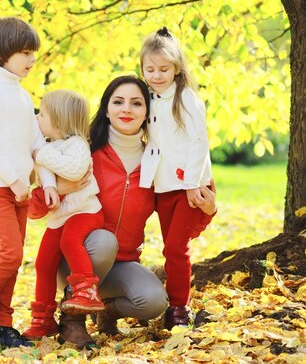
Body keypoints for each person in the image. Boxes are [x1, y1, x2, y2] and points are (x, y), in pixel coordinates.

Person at [29, 75, 216, 348]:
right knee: (105, 240)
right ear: (106, 109)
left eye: (136, 103)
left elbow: (183, 220)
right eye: (118, 102)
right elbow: (33, 209)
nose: (126, 109)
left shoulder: (157, 161)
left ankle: (106, 310)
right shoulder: (82, 151)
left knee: (153, 302)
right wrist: (60, 187)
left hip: (122, 265)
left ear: (147, 113)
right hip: (74, 261)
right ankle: (72, 321)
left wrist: (208, 211)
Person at [0, 16, 57, 349]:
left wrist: (44, 182)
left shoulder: (19, 94)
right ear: (4, 51)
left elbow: (36, 146)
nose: (32, 59)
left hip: (19, 188)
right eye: (25, 52)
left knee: (15, 257)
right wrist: (16, 180)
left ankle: (1, 325)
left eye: (33, 53)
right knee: (10, 253)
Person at [139, 27, 213, 329]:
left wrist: (194, 182)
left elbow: (199, 143)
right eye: (150, 69)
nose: (157, 75)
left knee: (175, 248)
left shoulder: (186, 99)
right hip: (161, 184)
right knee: (166, 244)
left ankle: (179, 307)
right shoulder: (149, 98)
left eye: (164, 69)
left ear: (177, 68)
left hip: (187, 185)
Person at [22, 90, 106, 340]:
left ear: (58, 122)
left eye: (43, 114)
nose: (37, 117)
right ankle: (43, 319)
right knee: (43, 263)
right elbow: (44, 171)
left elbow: (74, 170)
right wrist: (48, 186)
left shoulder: (77, 145)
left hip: (85, 211)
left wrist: (42, 156)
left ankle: (86, 291)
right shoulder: (47, 146)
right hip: (60, 217)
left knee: (70, 240)